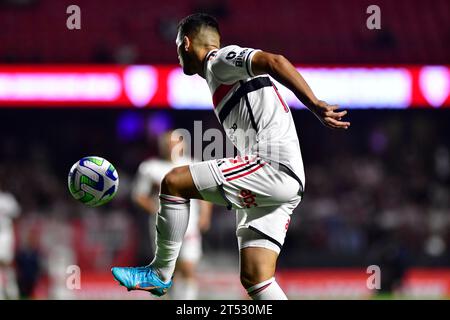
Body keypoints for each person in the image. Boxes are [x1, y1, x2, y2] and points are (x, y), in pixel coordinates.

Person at [112, 13, 350, 300]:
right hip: (285, 180)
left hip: (271, 165)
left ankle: (159, 274)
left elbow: (274, 61)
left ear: (186, 43)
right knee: (256, 277)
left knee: (174, 181)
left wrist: (314, 105)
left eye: (177, 49)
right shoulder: (219, 76)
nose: (177, 56)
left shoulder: (219, 60)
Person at [131, 131, 212, 300]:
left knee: (188, 268)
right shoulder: (150, 168)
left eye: (174, 142)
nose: (170, 146)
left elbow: (205, 194)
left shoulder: (193, 165)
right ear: (160, 146)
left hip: (189, 225)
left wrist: (205, 215)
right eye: (167, 143)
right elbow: (138, 195)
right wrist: (154, 207)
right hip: (162, 228)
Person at [0, 184, 20, 299]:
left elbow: (16, 215)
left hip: (5, 234)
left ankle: (12, 290)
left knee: (6, 263)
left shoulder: (8, 198)